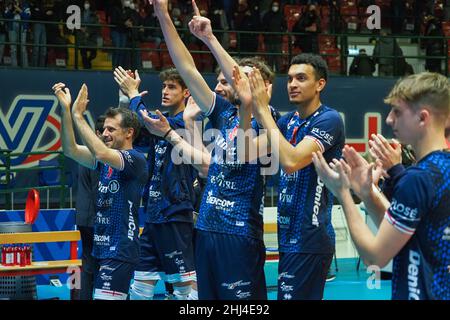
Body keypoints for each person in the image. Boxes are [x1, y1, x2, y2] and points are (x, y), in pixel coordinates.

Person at [146, 0, 278, 300]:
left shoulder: (272, 124)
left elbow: (242, 152)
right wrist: (164, 16)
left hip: (239, 234)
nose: (222, 85)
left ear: (260, 84)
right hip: (205, 229)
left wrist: (210, 39)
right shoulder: (224, 113)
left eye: (230, 79)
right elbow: (187, 68)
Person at [312, 72, 450, 300]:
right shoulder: (438, 170)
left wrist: (343, 193)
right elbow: (408, 234)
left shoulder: (419, 178)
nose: (389, 120)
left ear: (422, 118)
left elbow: (375, 257)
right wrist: (367, 193)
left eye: (397, 112)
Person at [247, 53, 345, 300]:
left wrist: (265, 114)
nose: (292, 84)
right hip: (287, 236)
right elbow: (246, 150)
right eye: (290, 79)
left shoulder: (329, 119)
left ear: (320, 84)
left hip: (310, 237)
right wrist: (248, 106)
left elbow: (292, 162)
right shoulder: (287, 121)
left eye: (301, 78)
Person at [52, 82, 148, 300]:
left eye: (111, 129)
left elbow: (102, 153)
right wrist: (66, 110)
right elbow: (70, 149)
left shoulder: (135, 159)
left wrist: (79, 116)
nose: (104, 133)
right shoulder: (105, 161)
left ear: (129, 133)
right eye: (104, 129)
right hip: (101, 247)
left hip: (120, 249)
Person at [114, 67, 199, 300]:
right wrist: (125, 97)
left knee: (184, 288)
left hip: (175, 213)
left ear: (186, 93)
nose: (165, 91)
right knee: (140, 285)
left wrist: (133, 94)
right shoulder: (163, 123)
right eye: (163, 86)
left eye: (172, 87)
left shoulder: (186, 122)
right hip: (152, 215)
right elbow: (129, 130)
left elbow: (148, 121)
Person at [74, 115, 105, 300]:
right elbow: (96, 191)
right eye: (106, 131)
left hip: (83, 218)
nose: (108, 136)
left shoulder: (86, 152)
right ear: (97, 133)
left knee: (88, 264)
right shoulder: (96, 156)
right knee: (99, 264)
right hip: (94, 218)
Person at [79, 0, 99, 69]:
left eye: (87, 3)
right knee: (83, 54)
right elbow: (75, 23)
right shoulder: (80, 14)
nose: (86, 4)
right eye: (85, 3)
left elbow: (96, 26)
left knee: (94, 54)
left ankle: (88, 62)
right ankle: (86, 67)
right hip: (82, 37)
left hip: (91, 38)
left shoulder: (94, 14)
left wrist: (88, 32)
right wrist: (80, 28)